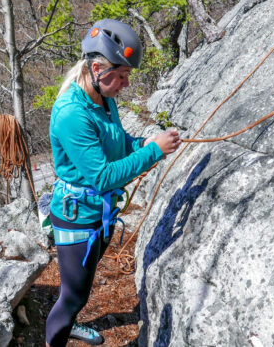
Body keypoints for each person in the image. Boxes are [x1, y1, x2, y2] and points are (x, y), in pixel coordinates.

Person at [45, 19, 181, 346]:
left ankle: (70, 324)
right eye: (121, 76)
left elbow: (118, 143)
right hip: (76, 218)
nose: (125, 83)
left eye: (126, 76)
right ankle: (55, 338)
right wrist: (152, 152)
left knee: (83, 284)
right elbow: (103, 176)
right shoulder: (71, 114)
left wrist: (143, 143)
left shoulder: (104, 100)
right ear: (96, 69)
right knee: (72, 295)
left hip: (98, 213)